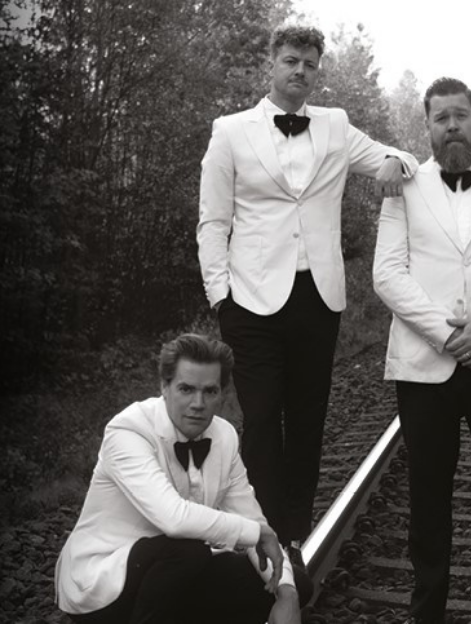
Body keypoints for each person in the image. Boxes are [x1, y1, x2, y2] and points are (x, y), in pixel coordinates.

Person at [196, 24, 419, 567]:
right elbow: (213, 221)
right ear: (271, 64)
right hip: (250, 302)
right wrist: (220, 295)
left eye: (310, 64)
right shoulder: (231, 131)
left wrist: (395, 161)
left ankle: (292, 537)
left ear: (318, 71)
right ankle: (262, 532)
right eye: (291, 60)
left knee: (307, 420)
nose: (300, 70)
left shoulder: (335, 125)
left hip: (318, 300)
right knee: (260, 418)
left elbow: (399, 158)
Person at [372, 77, 471, 624]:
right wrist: (449, 338)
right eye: (441, 118)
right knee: (427, 499)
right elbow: (387, 274)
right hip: (425, 367)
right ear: (428, 126)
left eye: (460, 115)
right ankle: (427, 614)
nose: (452, 126)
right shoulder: (404, 184)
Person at [54, 334, 300, 624]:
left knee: (295, 585)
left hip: (173, 577)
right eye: (186, 389)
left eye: (210, 391)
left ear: (222, 394)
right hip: (101, 585)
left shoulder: (224, 436)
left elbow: (250, 517)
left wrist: (287, 592)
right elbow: (174, 519)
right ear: (164, 387)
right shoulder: (128, 430)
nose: (198, 403)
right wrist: (257, 533)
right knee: (188, 551)